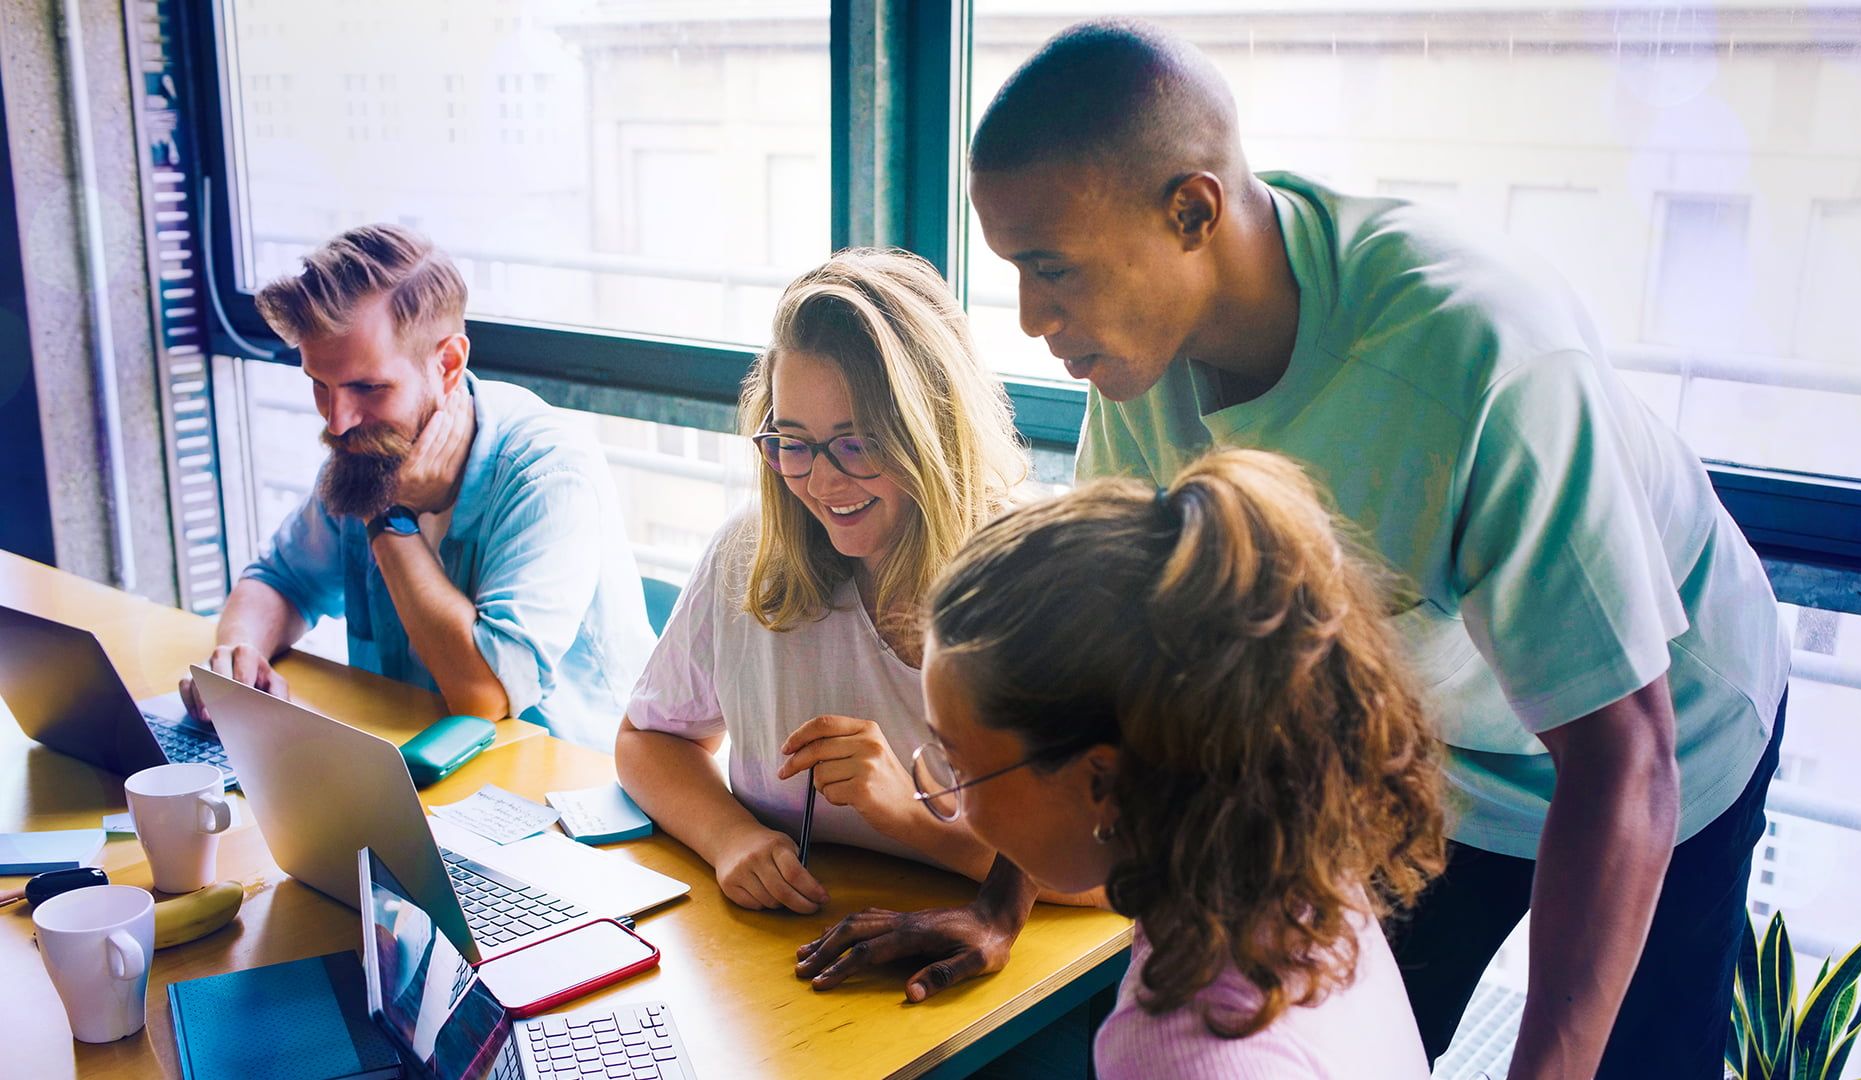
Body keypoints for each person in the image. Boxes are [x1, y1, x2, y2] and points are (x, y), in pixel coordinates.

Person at [802, 20, 1789, 1079]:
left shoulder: (1481, 356)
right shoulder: (1136, 367)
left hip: (1657, 740)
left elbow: (1622, 759)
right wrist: (1001, 909)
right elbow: (1076, 686)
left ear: (1191, 210)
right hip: (1429, 753)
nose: (1033, 316)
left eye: (1053, 270)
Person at [910, 450, 1445, 1077]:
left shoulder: (1180, 1052)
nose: (958, 806)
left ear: (1102, 782)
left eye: (959, 762)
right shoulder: (1294, 884)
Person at [616, 249, 1082, 933]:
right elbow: (646, 741)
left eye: (857, 443)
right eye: (792, 443)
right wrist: (729, 838)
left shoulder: (1036, 577)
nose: (822, 483)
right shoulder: (751, 553)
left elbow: (1126, 873)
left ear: (932, 432)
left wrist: (910, 819)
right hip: (792, 954)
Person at [178, 224, 653, 752]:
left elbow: (484, 695)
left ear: (447, 364)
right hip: (414, 766)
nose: (337, 421)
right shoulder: (365, 445)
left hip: (568, 788)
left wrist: (388, 514)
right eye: (320, 384)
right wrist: (240, 653)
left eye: (369, 387)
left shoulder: (549, 474)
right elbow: (280, 580)